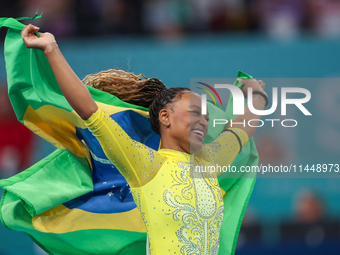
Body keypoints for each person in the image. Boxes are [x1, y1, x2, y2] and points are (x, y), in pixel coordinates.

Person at [20, 24, 267, 255]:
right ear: (165, 117)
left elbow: (239, 130)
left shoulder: (208, 163)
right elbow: (90, 111)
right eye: (194, 112)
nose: (204, 121)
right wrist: (51, 49)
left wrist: (258, 97)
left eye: (206, 117)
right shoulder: (146, 165)